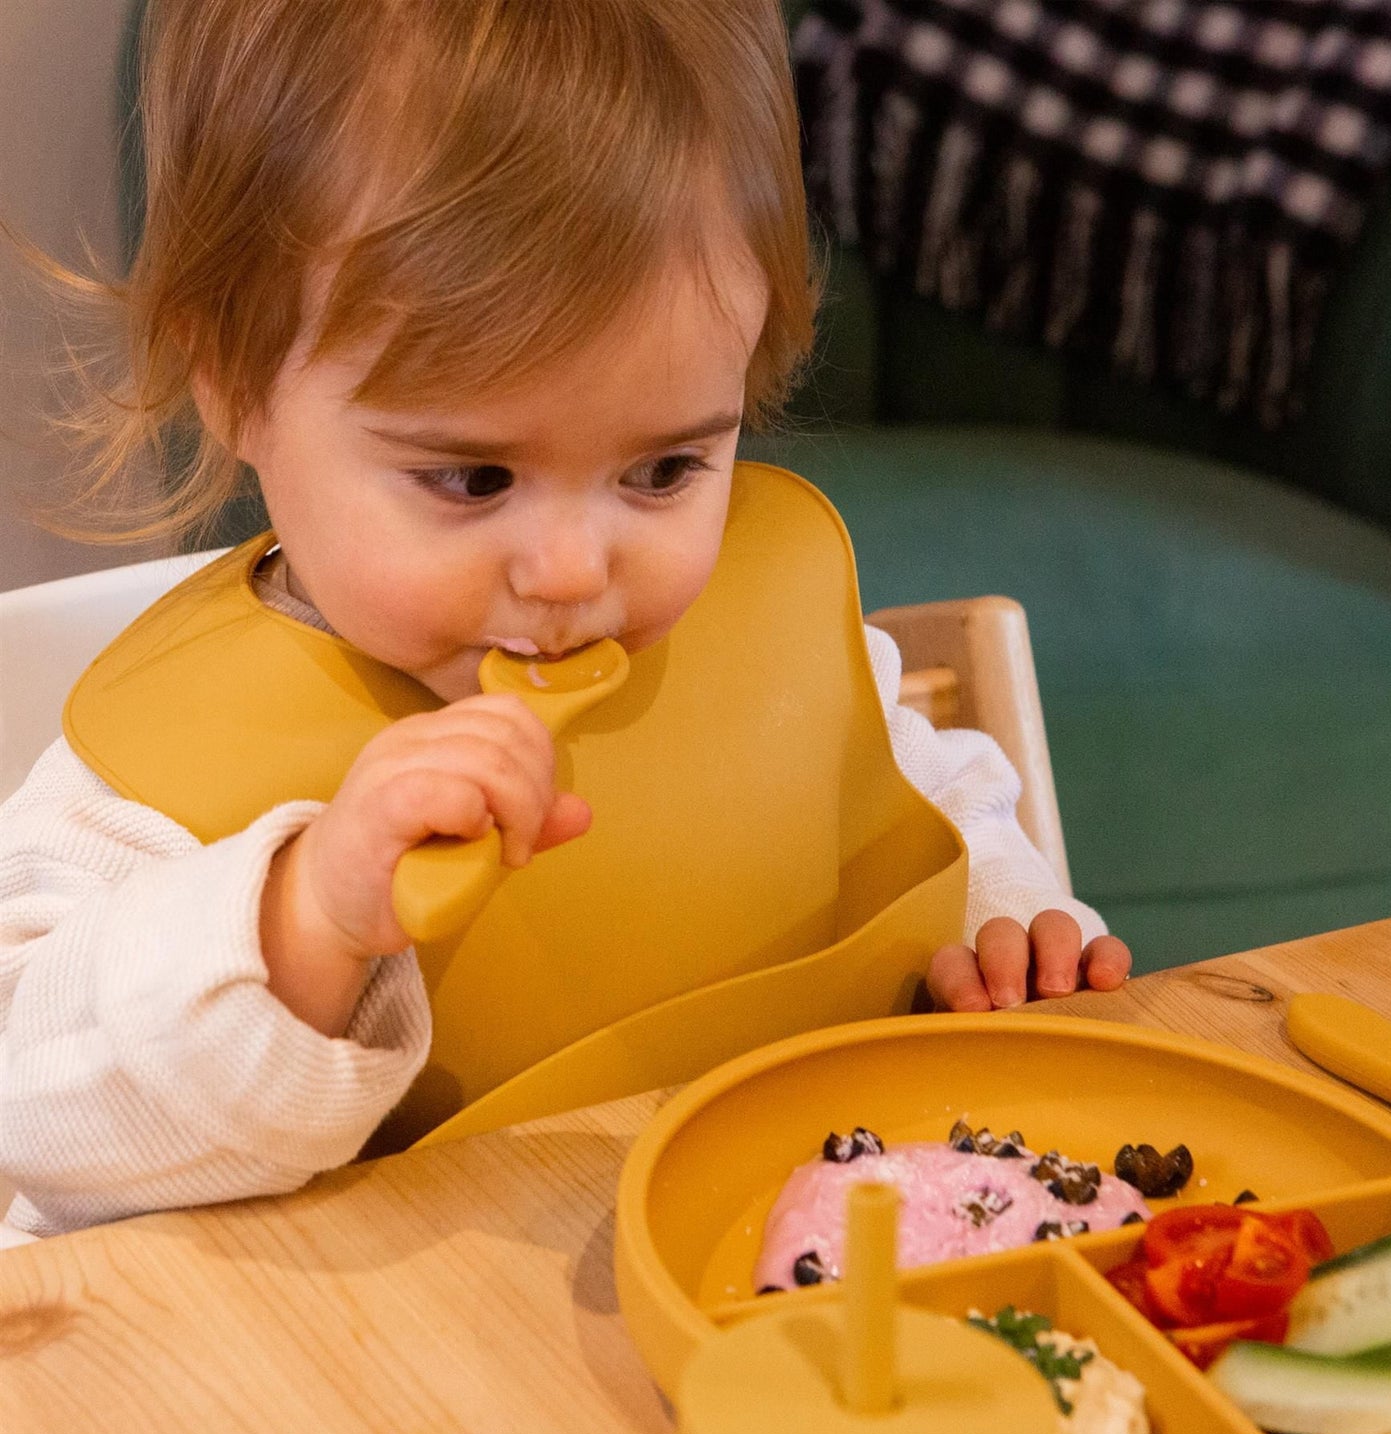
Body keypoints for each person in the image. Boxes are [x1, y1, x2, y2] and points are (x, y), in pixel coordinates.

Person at [0, 0, 1129, 1237]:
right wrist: (299, 921)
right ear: (233, 384)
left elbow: (920, 800)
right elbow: (35, 1107)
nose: (571, 568)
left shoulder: (767, 629)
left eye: (663, 470)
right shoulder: (159, 772)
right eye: (474, 479)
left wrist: (1008, 929)